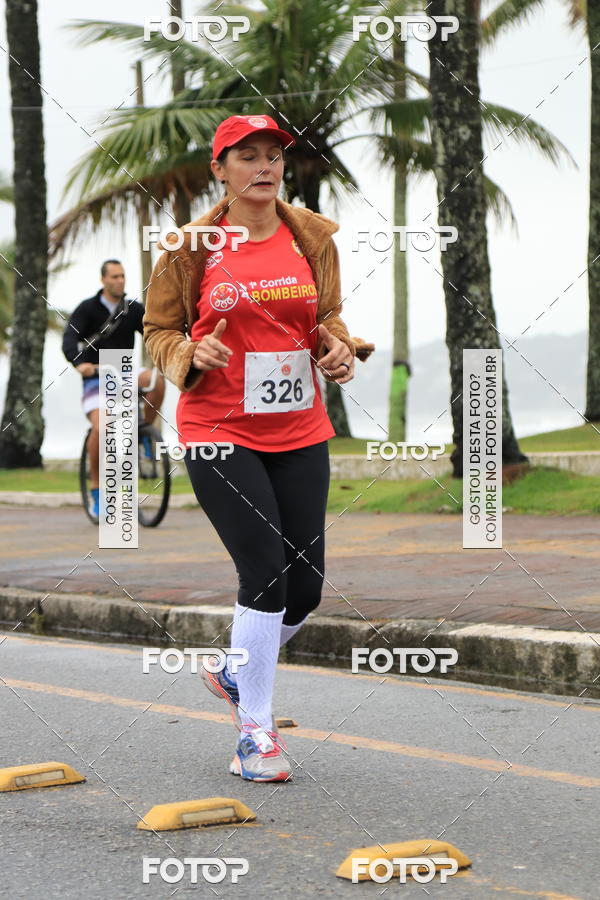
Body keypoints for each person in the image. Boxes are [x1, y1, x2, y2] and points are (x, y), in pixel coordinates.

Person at [143, 113, 374, 781]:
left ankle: (233, 670)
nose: (264, 165)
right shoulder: (191, 248)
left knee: (305, 589)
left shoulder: (312, 238)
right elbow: (159, 330)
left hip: (299, 426)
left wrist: (337, 346)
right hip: (219, 428)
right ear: (220, 170)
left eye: (272, 154)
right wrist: (190, 351)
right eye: (247, 156)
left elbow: (325, 317)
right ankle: (255, 738)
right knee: (265, 574)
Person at [62, 260, 165, 518]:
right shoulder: (87, 309)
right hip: (97, 375)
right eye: (114, 276)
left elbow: (152, 333)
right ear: (103, 280)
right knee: (102, 428)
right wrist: (79, 364)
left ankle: (143, 434)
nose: (120, 281)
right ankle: (97, 492)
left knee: (156, 380)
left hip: (124, 370)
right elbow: (69, 340)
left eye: (123, 276)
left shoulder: (132, 309)